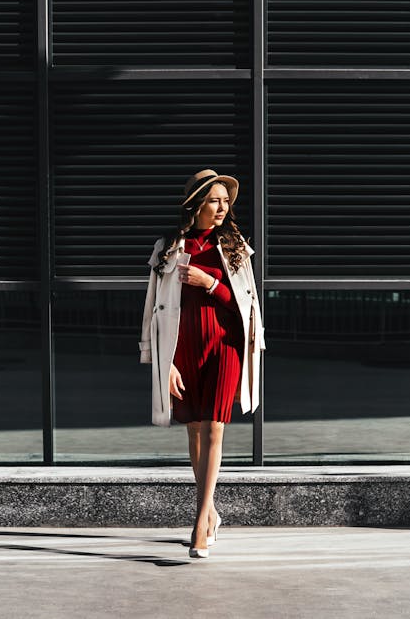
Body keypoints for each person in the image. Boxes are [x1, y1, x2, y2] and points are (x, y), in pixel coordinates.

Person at [139, 169, 265, 558]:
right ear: (195, 203)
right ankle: (211, 513)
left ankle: (198, 521)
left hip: (225, 345)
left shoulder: (234, 246)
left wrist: (208, 282)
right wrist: (163, 361)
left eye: (227, 201)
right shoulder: (168, 247)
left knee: (214, 426)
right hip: (185, 349)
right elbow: (154, 306)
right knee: (194, 430)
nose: (223, 207)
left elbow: (246, 305)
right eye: (215, 200)